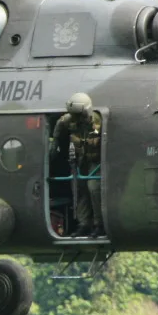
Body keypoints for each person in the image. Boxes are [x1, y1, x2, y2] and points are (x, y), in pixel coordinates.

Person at [51, 92, 104, 236]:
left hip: (97, 162)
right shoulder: (68, 120)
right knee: (79, 188)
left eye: (77, 115)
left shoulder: (98, 121)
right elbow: (60, 125)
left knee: (93, 187)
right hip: (82, 161)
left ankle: (99, 224)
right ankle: (84, 224)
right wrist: (54, 144)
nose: (74, 118)